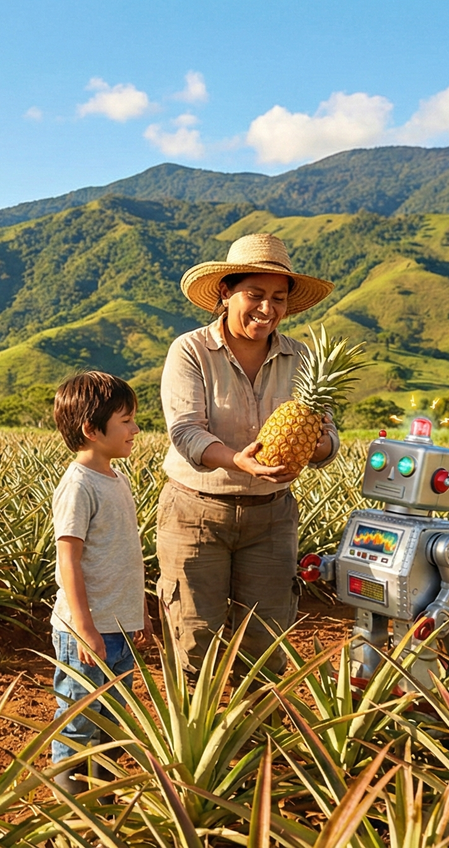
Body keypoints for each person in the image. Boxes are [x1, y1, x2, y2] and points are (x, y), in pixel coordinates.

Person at [157, 232, 340, 675]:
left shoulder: (300, 358)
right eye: (255, 294)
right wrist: (237, 460)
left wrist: (320, 446)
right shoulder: (191, 350)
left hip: (272, 517)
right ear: (225, 292)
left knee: (265, 640)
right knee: (194, 637)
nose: (267, 308)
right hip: (196, 513)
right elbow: (185, 431)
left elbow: (330, 433)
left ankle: (259, 720)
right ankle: (196, 719)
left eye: (279, 298)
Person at [47, 370, 148, 795]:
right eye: (126, 421)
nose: (135, 429)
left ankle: (101, 790)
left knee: (113, 715)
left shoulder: (116, 479)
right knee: (79, 718)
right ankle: (69, 801)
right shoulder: (78, 486)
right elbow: (68, 560)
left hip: (119, 627)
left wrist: (140, 611)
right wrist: (85, 628)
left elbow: (126, 555)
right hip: (87, 633)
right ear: (92, 429)